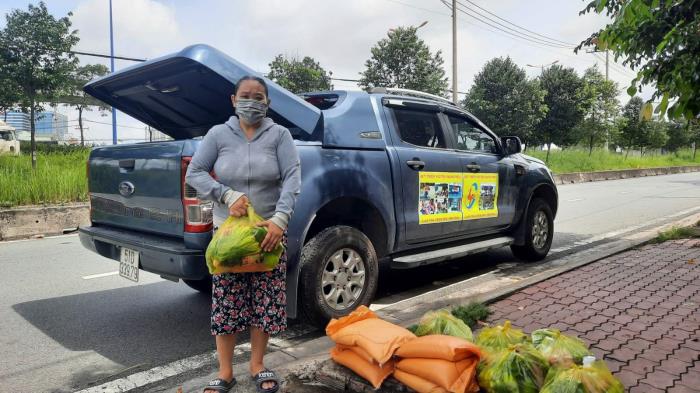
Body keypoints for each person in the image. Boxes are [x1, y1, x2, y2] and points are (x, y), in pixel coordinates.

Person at [186, 75, 301, 393]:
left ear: (268, 102)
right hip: (229, 236)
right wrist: (225, 194)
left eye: (259, 96)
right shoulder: (218, 134)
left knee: (264, 301)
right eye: (246, 96)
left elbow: (292, 177)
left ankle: (257, 364)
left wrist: (279, 220)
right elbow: (195, 172)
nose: (253, 101)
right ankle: (224, 372)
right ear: (233, 100)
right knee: (227, 302)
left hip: (268, 232)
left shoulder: (279, 135)